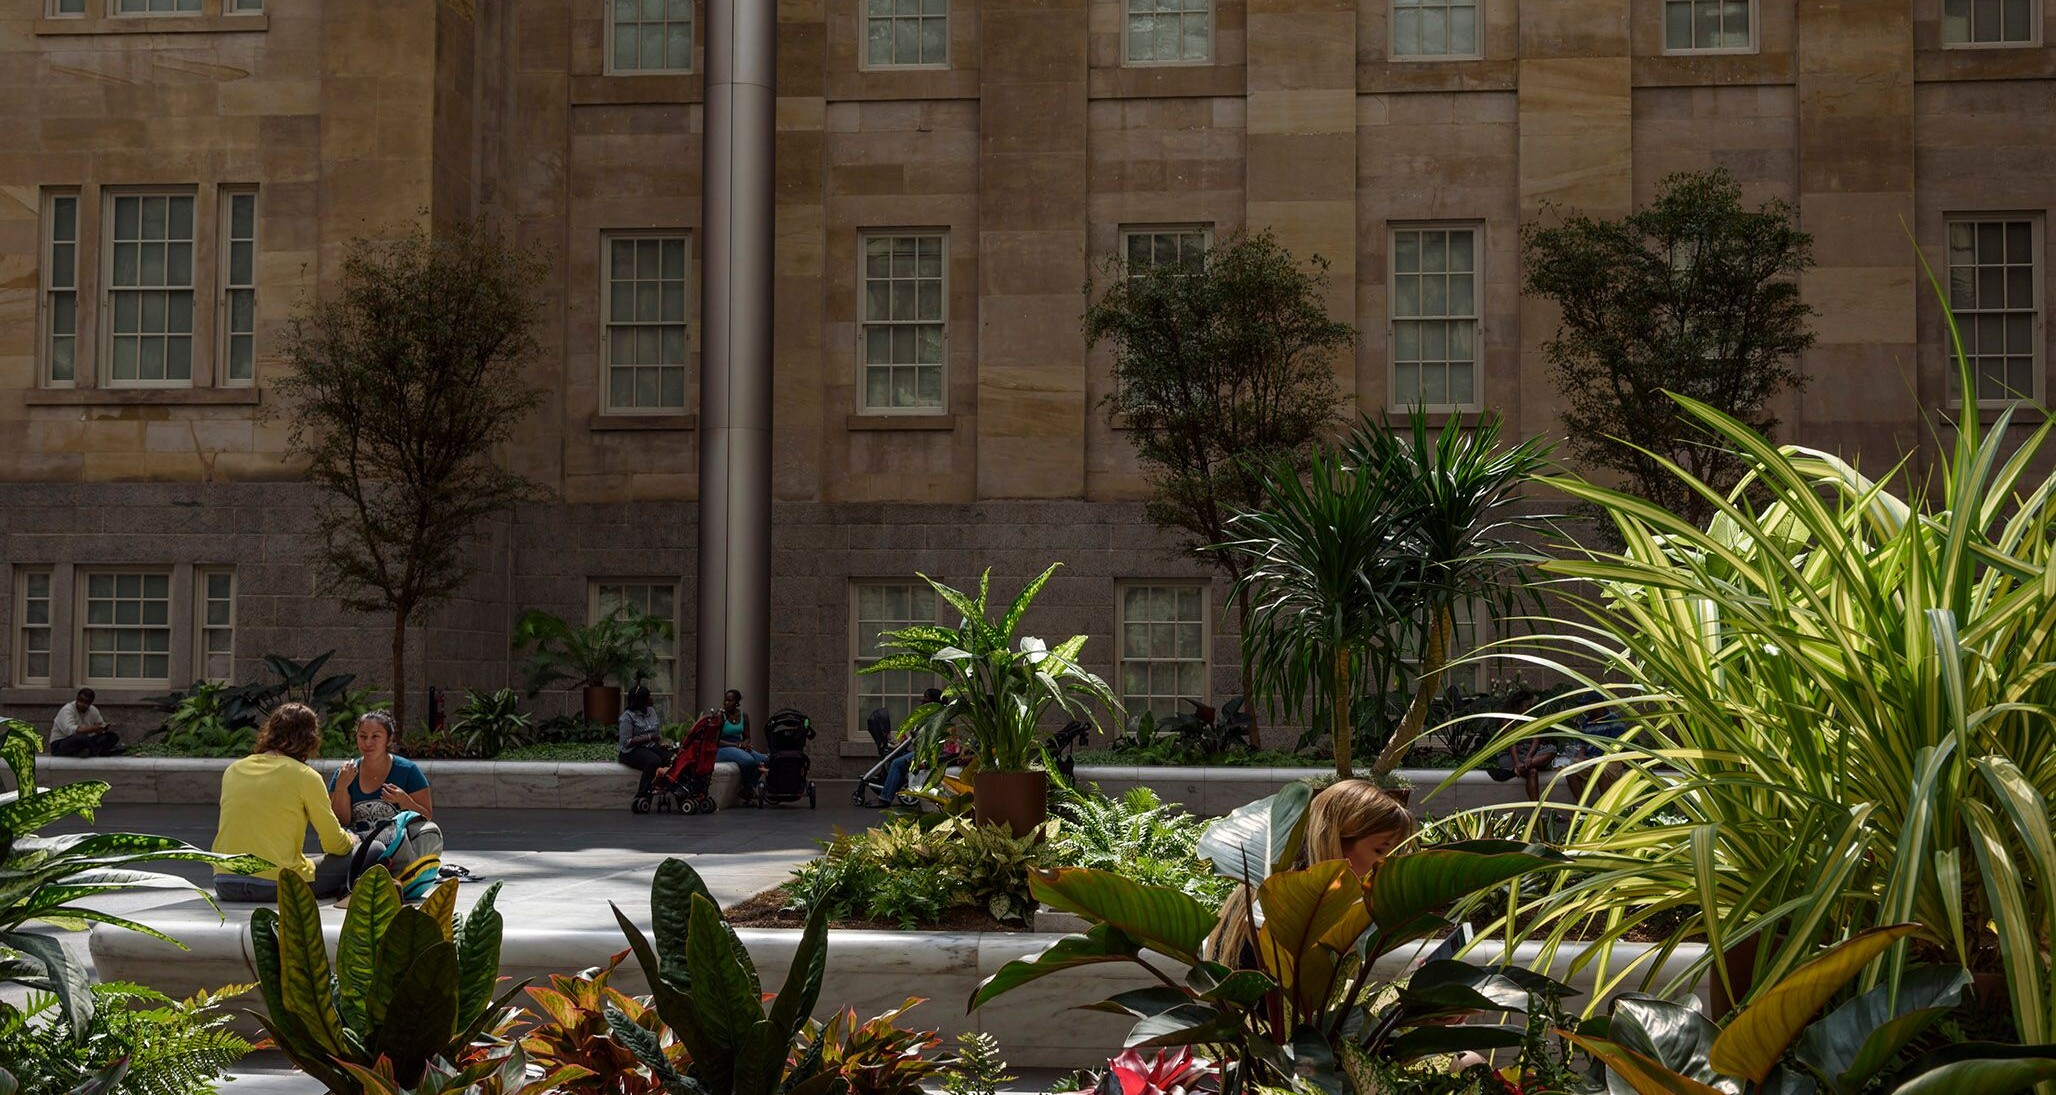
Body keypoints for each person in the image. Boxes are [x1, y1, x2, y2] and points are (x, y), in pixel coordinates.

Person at [1206, 779, 1415, 963]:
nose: (1387, 863)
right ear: (1335, 841)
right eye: (1380, 850)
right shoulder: (1282, 907)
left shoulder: (1288, 889)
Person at [211, 702, 358, 902]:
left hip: (225, 883)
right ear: (310, 739)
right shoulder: (305, 776)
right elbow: (334, 844)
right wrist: (351, 840)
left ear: (270, 731)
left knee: (307, 858)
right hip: (277, 886)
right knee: (373, 849)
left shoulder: (233, 770)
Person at [327, 711, 433, 829]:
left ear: (389, 740)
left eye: (375, 736)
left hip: (399, 846)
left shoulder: (408, 771)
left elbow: (427, 817)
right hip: (358, 846)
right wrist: (341, 787)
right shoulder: (343, 774)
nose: (368, 743)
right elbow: (341, 823)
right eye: (362, 736)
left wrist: (405, 802)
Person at [871, 687, 954, 808]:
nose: (922, 699)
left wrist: (918, 735)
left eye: (926, 697)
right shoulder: (929, 714)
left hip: (930, 752)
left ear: (933, 702)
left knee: (897, 763)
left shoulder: (939, 717)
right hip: (924, 749)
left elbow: (933, 738)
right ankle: (888, 783)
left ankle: (885, 798)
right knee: (898, 755)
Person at [618, 686, 671, 802]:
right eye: (648, 697)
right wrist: (648, 737)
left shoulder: (651, 711)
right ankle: (643, 796)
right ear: (641, 701)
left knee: (670, 758)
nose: (651, 699)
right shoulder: (627, 717)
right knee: (654, 761)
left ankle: (671, 790)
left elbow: (657, 732)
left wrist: (662, 742)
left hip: (650, 746)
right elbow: (626, 742)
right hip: (631, 751)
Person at [715, 688, 768, 803]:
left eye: (730, 701)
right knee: (748, 761)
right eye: (725, 700)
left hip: (738, 745)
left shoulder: (744, 715)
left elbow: (747, 737)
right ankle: (748, 787)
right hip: (723, 747)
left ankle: (748, 788)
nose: (726, 703)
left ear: (737, 702)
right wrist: (736, 745)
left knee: (763, 759)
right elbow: (716, 740)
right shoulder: (720, 715)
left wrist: (745, 743)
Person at [50, 688, 123, 757]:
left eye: (86, 702)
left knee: (112, 736)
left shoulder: (93, 710)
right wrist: (94, 728)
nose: (82, 704)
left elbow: (100, 724)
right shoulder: (67, 709)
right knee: (81, 738)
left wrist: (102, 729)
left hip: (86, 741)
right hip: (61, 744)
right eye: (81, 701)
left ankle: (87, 751)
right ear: (77, 699)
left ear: (90, 703)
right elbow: (70, 731)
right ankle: (96, 751)